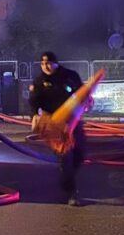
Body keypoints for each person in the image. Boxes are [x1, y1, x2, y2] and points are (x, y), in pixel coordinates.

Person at [30, 51, 86, 206]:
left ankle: (66, 179)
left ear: (55, 63)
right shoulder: (40, 81)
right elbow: (34, 101)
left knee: (79, 153)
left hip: (73, 121)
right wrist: (34, 115)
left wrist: (88, 100)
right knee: (65, 156)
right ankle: (71, 192)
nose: (45, 66)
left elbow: (82, 92)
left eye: (48, 63)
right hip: (54, 124)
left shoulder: (70, 76)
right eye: (42, 63)